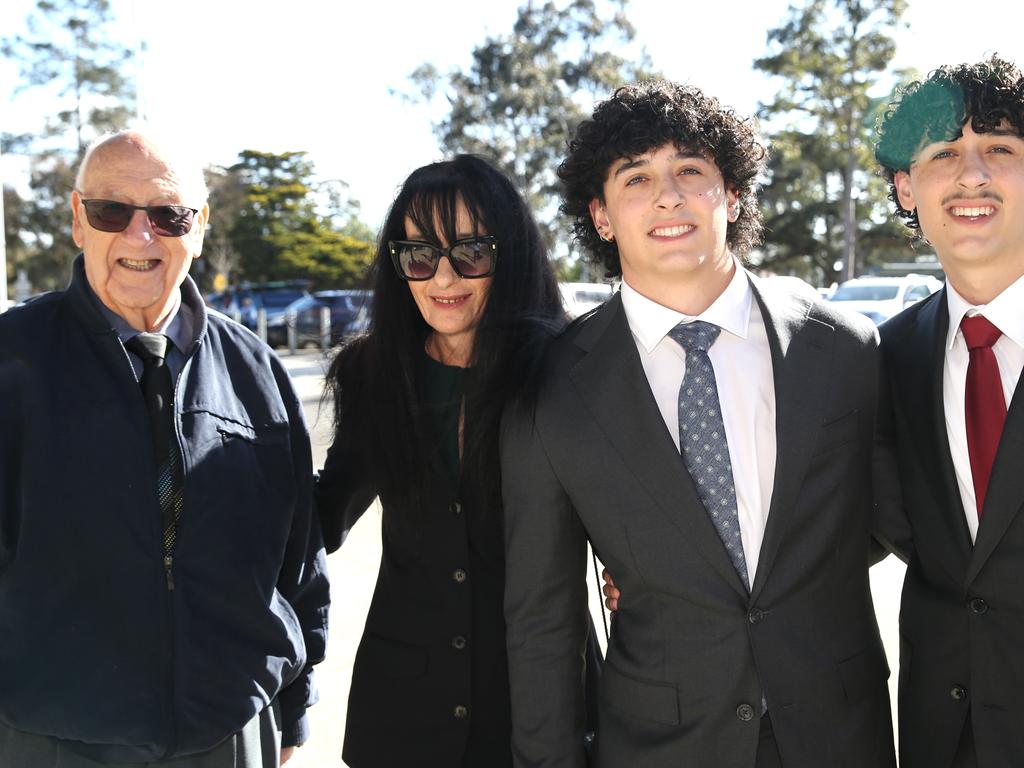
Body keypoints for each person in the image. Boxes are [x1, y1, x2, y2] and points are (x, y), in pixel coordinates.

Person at [501, 80, 896, 767]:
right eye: (636, 177)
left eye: (691, 170)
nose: (668, 195)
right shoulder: (550, 388)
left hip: (838, 732)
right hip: (660, 744)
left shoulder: (844, 347)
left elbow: (881, 523)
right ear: (600, 215)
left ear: (733, 194)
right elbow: (543, 620)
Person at [0, 129, 329, 767]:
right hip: (51, 739)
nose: (139, 237)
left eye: (167, 214)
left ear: (199, 227)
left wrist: (295, 701)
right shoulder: (10, 363)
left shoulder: (254, 369)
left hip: (230, 732)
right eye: (112, 212)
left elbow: (298, 555)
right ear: (77, 220)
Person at [315, 154, 581, 767]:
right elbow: (323, 518)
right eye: (418, 255)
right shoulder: (372, 374)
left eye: (470, 252)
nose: (443, 277)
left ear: (508, 256)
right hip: (403, 718)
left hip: (536, 712)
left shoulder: (567, 371)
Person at [873, 55, 1024, 768]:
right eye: (943, 153)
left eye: (1000, 148)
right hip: (944, 736)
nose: (972, 175)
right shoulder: (882, 359)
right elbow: (839, 526)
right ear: (906, 187)